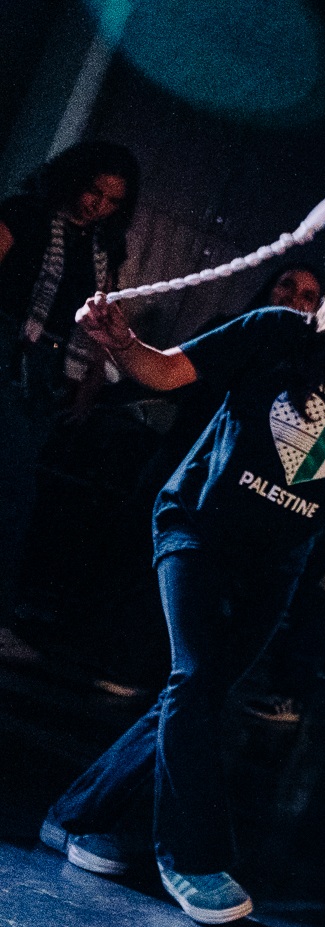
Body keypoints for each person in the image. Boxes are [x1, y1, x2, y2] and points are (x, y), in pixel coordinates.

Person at [44, 233, 325, 924]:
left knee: (199, 693)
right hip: (197, 528)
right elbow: (168, 372)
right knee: (195, 679)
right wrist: (121, 342)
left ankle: (74, 815)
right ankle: (193, 856)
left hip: (277, 561)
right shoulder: (279, 333)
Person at [0, 140, 141, 664]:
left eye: (112, 200)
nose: (98, 205)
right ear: (74, 179)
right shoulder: (26, 212)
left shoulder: (105, 245)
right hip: (7, 344)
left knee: (16, 486)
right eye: (93, 191)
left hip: (47, 370)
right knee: (15, 489)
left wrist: (91, 380)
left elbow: (100, 314)